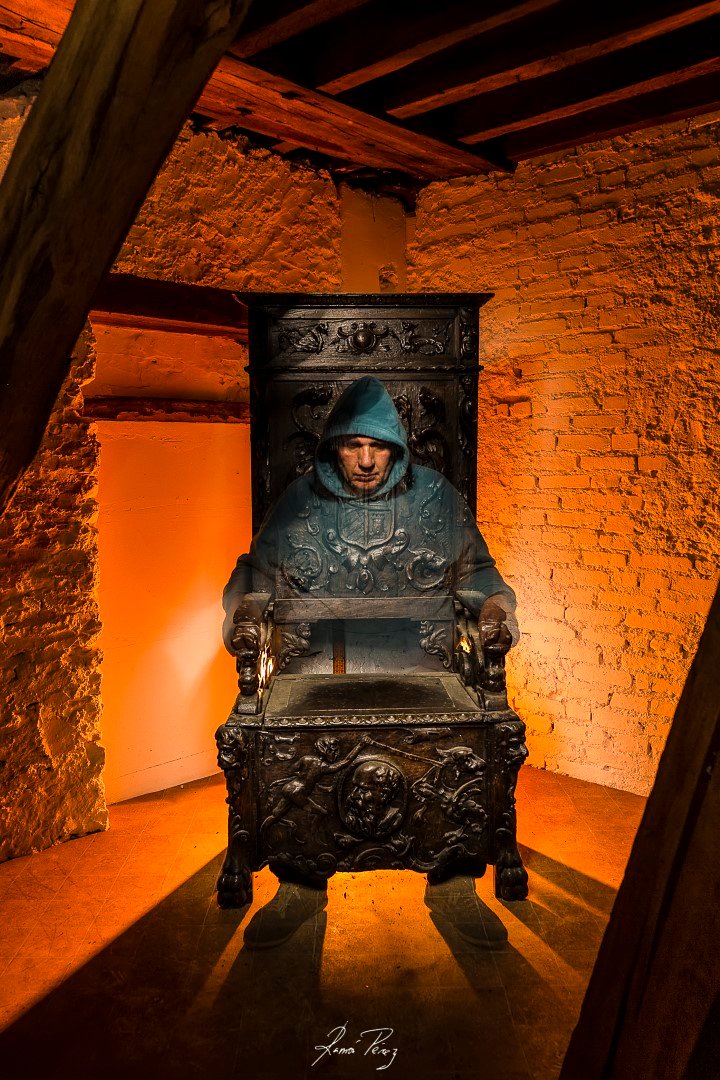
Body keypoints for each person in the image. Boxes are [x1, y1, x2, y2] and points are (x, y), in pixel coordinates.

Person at [223, 375, 518, 948]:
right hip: (317, 669)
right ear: (333, 446)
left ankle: (455, 878)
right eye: (353, 446)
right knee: (286, 765)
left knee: (467, 753)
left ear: (396, 448)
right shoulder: (301, 500)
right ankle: (298, 879)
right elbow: (255, 574)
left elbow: (480, 575)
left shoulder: (435, 497)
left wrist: (495, 612)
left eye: (377, 447)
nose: (364, 461)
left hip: (423, 667)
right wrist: (243, 617)